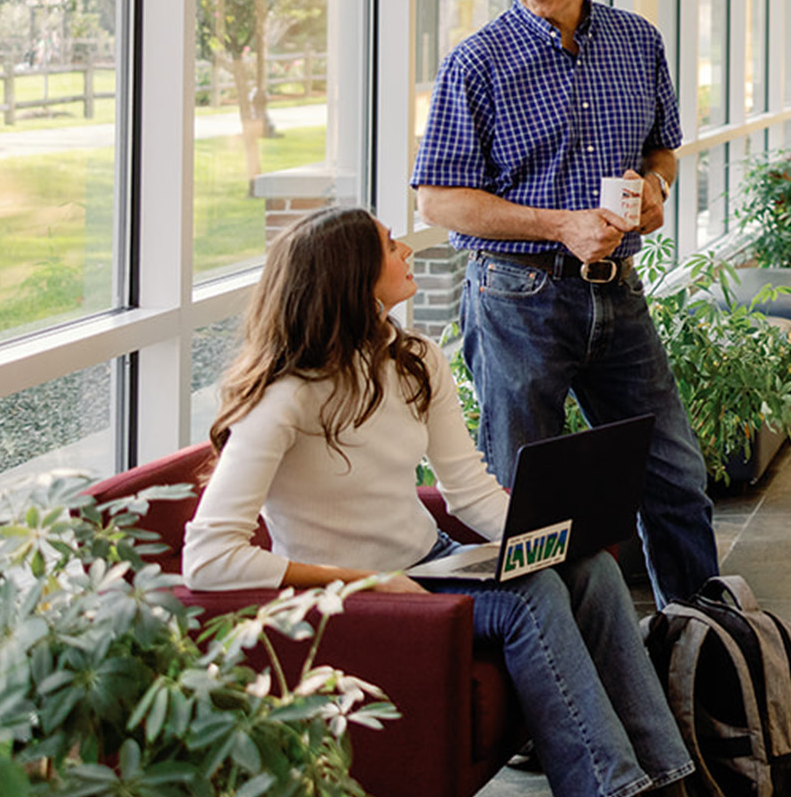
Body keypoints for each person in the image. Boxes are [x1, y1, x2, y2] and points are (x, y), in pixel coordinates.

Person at [184, 206, 693, 797]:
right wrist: (362, 582)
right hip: (366, 593)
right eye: (389, 246)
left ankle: (668, 779)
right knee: (529, 595)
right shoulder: (284, 399)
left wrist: (544, 536)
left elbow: (470, 491)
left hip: (433, 560)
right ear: (351, 276)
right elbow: (209, 558)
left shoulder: (415, 359)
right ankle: (612, 789)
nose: (406, 252)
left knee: (591, 568)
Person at [410, 0, 716, 608]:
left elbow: (660, 150)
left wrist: (655, 191)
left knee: (674, 478)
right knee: (524, 502)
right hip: (516, 301)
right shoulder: (476, 64)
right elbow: (439, 198)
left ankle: (707, 650)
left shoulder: (638, 42)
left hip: (618, 293)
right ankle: (545, 666)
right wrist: (558, 222)